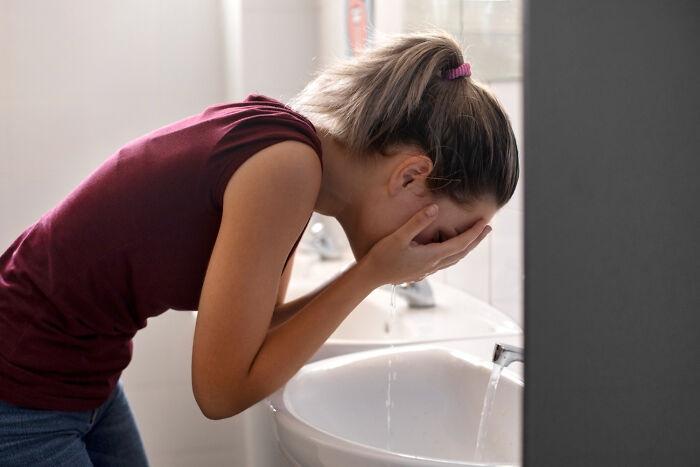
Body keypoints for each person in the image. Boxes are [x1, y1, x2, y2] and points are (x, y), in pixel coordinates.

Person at [0, 29, 519, 466]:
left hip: (82, 375)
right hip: (21, 384)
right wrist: (370, 275)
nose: (433, 255)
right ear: (411, 175)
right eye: (444, 234)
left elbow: (261, 330)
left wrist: (374, 272)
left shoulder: (293, 155)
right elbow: (221, 393)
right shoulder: (286, 168)